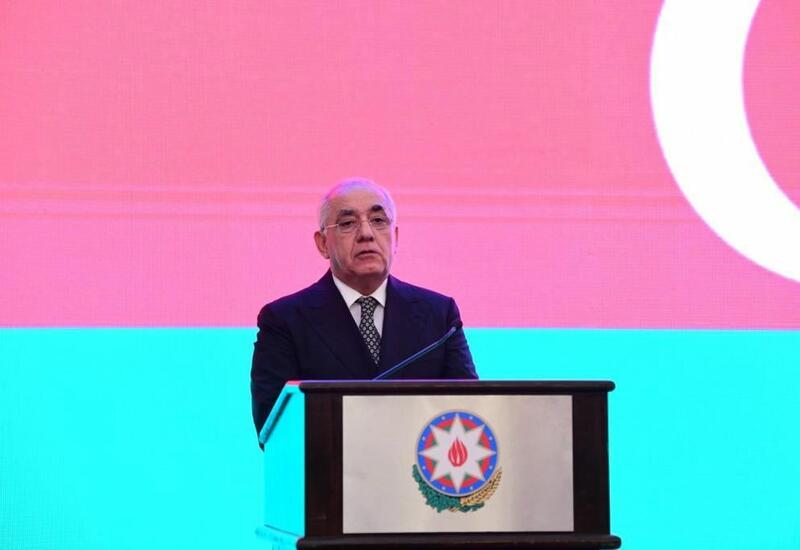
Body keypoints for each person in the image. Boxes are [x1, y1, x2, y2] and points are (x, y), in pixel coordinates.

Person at [250, 178, 477, 436]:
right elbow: (275, 429)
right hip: (329, 462)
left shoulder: (439, 316)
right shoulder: (284, 321)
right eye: (347, 223)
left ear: (395, 237)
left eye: (378, 220)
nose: (366, 234)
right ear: (323, 243)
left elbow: (468, 414)